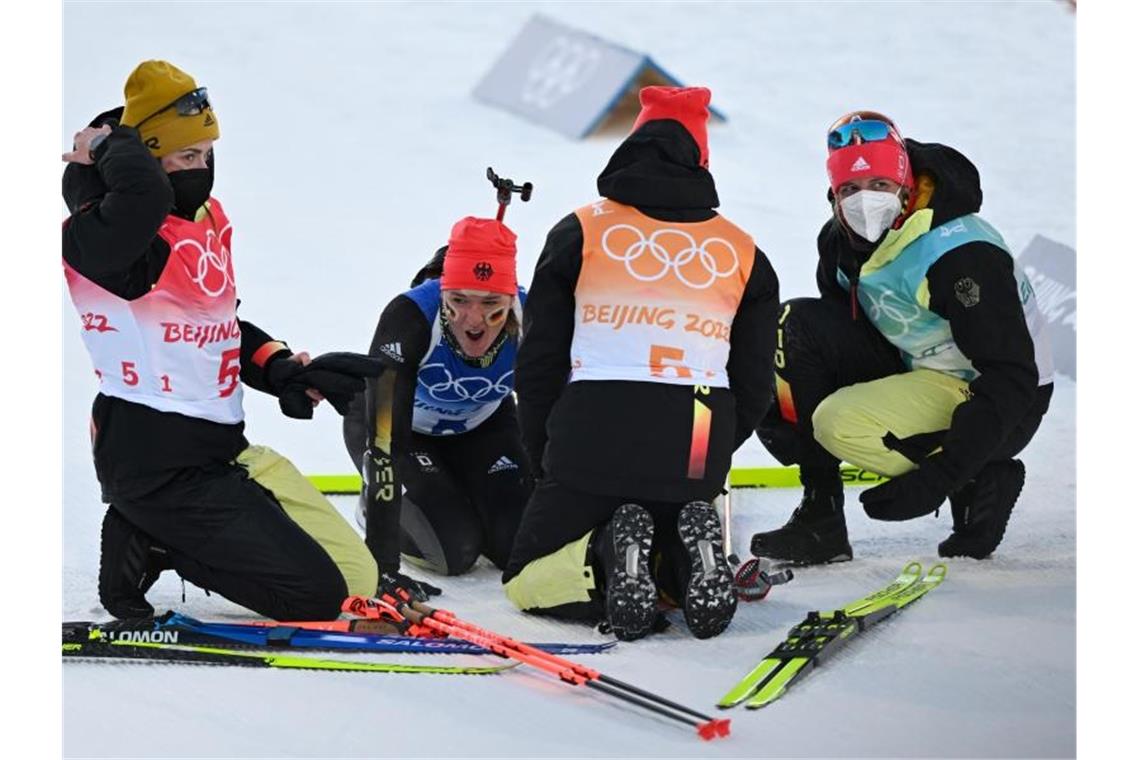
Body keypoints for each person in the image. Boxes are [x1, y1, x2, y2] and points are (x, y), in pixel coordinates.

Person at [62, 60, 381, 621]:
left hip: (219, 449)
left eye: (207, 156)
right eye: (186, 157)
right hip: (153, 463)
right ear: (145, 163)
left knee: (358, 578)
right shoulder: (101, 243)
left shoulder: (202, 220)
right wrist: (114, 148)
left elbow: (218, 328)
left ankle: (182, 527)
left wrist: (280, 367)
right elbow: (136, 204)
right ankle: (155, 538)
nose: (201, 171)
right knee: (318, 598)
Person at [501, 86, 780, 641]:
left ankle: (607, 558)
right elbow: (754, 382)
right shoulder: (744, 251)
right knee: (676, 508)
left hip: (593, 425)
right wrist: (715, 448)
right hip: (697, 433)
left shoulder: (579, 230)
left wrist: (545, 452)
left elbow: (539, 363)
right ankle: (691, 560)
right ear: (702, 158)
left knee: (527, 576)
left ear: (631, 145)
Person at [750, 111, 1053, 565]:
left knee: (839, 422)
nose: (864, 201)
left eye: (879, 186)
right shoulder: (839, 242)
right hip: (916, 365)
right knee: (788, 328)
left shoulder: (962, 254)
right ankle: (821, 516)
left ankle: (980, 472)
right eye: (849, 190)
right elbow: (827, 346)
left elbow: (1012, 374)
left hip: (1004, 395)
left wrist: (942, 474)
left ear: (907, 186)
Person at [341, 216, 532, 598]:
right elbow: (385, 444)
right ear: (442, 293)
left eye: (491, 305)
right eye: (458, 301)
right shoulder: (410, 318)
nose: (473, 321)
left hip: (483, 426)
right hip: (405, 434)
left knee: (519, 547)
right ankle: (376, 506)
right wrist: (382, 565)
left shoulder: (535, 317)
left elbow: (557, 419)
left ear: (511, 298)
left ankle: (459, 489)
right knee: (455, 552)